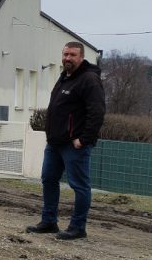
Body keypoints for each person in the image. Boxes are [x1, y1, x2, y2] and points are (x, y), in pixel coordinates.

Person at [26, 41, 105, 240]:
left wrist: (84, 139)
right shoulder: (65, 77)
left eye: (72, 55)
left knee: (79, 186)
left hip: (73, 144)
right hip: (55, 143)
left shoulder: (89, 79)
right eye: (65, 54)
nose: (67, 58)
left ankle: (78, 227)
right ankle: (49, 222)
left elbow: (97, 112)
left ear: (81, 57)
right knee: (48, 180)